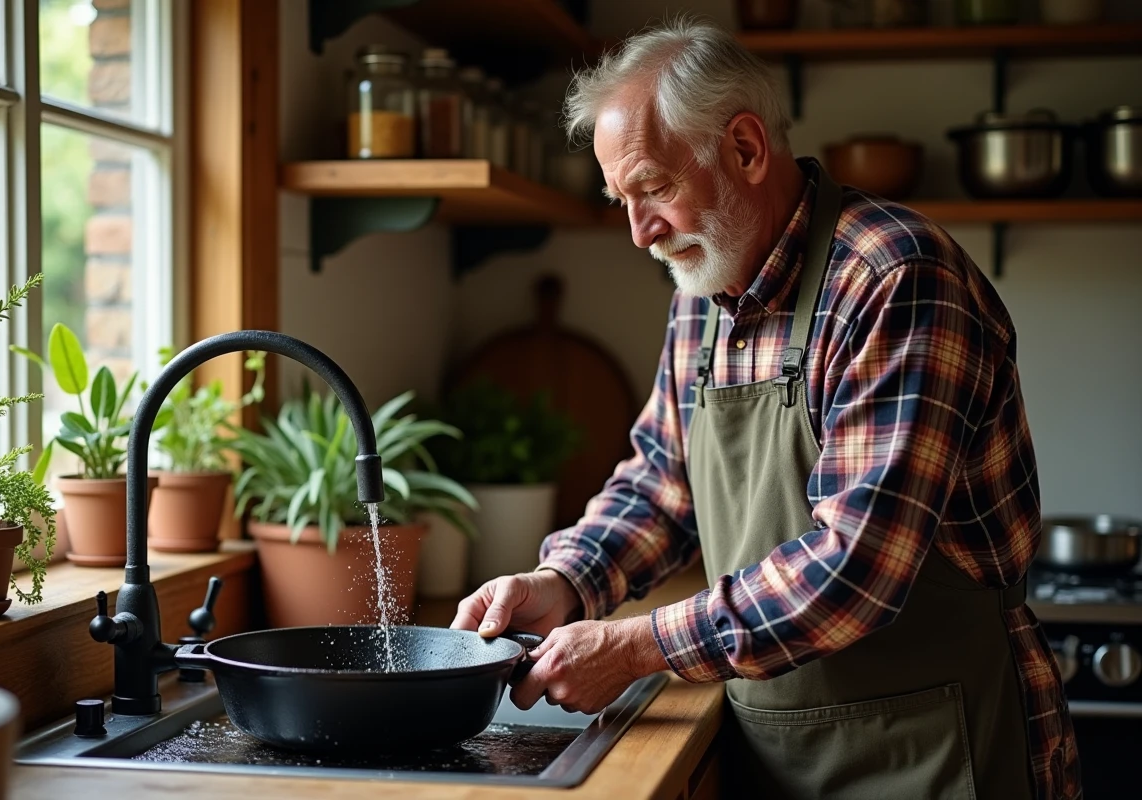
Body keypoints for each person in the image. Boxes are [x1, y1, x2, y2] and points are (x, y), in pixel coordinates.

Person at [450, 17, 1079, 799]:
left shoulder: (894, 279)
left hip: (937, 746)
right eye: (622, 198)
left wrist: (636, 645)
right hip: (778, 746)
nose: (640, 232)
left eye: (653, 188)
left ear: (745, 149)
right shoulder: (703, 291)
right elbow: (662, 483)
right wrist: (565, 581)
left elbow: (856, 569)